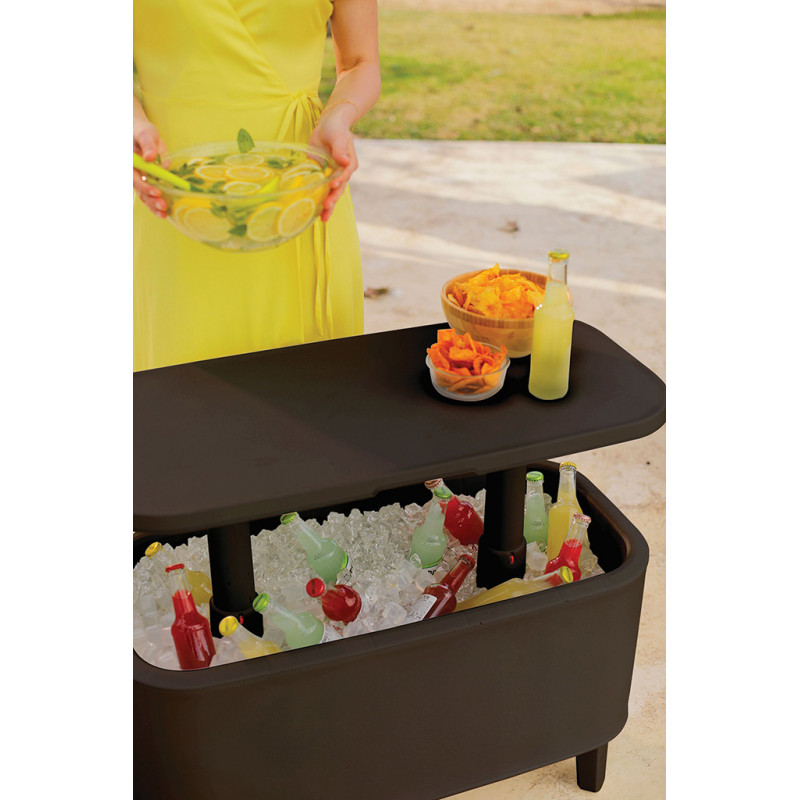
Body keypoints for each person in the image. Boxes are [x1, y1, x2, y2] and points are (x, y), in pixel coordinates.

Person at [133, 0, 380, 372]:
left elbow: (361, 63)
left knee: (309, 387)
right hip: (172, 195)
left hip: (298, 193)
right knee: (178, 385)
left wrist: (339, 115)